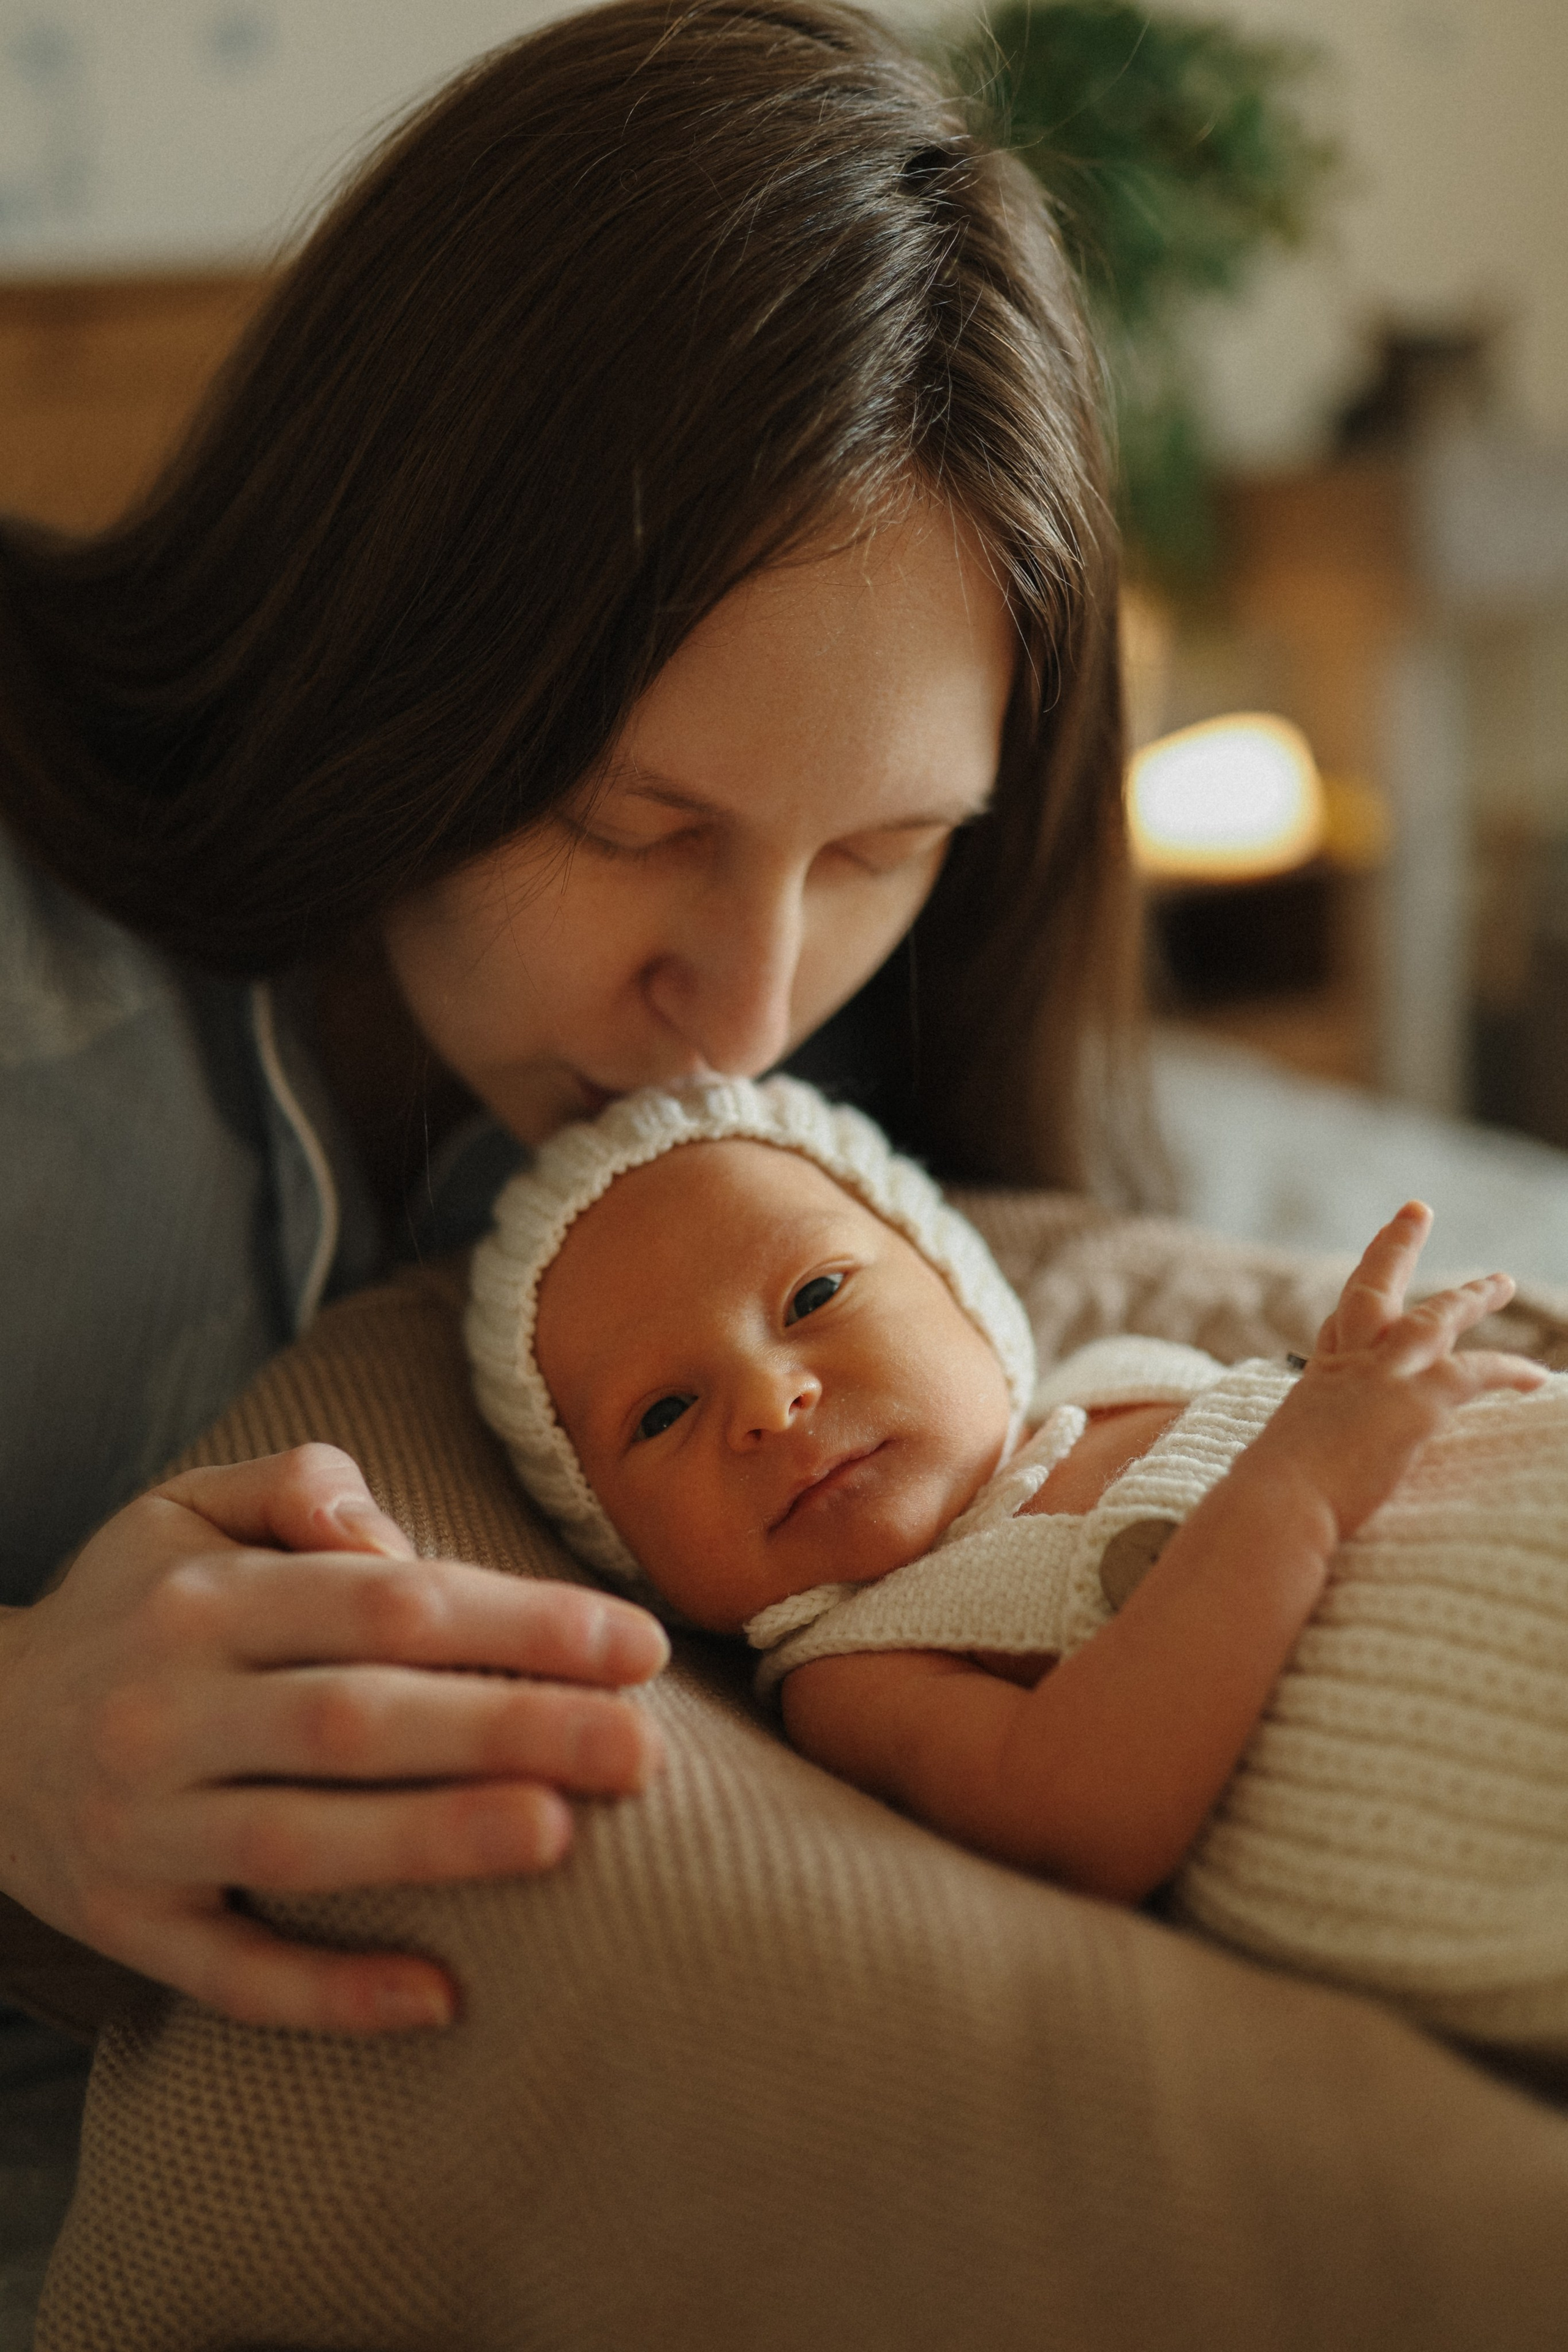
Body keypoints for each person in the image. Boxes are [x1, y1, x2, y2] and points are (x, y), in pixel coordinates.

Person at [0, 0, 1146, 2037]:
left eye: (885, 849)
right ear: (382, 644)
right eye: (633, 826)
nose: (749, 1016)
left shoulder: (881, 1113)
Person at [469, 1075, 1568, 2054]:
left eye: (814, 1297)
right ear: (624, 1550)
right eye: (662, 1413)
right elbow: (1078, 1823)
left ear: (961, 1287)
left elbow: (1360, 1431)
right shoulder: (856, 1663)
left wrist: (1386, 1390)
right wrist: (1296, 1486)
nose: (768, 1400)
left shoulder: (1129, 1373)